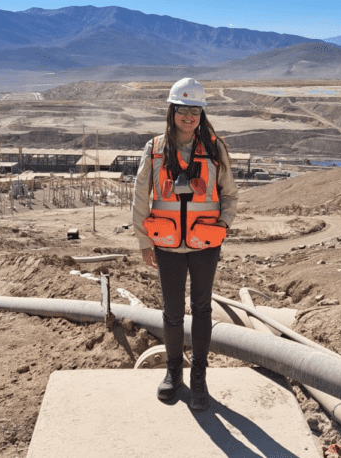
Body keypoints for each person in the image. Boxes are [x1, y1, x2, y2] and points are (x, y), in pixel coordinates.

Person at [132, 78, 238, 410]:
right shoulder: (155, 149)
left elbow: (230, 195)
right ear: (172, 112)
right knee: (172, 311)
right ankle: (173, 372)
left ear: (201, 113)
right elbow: (140, 197)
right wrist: (144, 241)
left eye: (195, 111)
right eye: (182, 110)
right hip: (167, 245)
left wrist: (223, 224)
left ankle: (199, 378)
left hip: (205, 243)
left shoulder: (216, 149)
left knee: (202, 309)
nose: (189, 117)